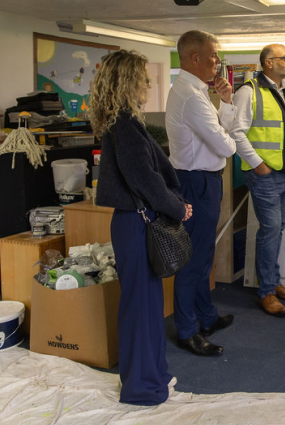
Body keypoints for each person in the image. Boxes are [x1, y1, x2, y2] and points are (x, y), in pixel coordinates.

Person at [91, 50, 193, 406]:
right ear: (127, 81)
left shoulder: (124, 123)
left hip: (137, 221)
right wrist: (178, 208)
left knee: (147, 305)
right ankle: (141, 387)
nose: (149, 85)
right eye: (143, 78)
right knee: (140, 306)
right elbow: (144, 180)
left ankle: (153, 378)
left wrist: (172, 204)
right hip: (136, 223)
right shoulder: (124, 125)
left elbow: (146, 180)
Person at [166, 30, 236, 357]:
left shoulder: (194, 90)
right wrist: (228, 124)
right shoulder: (192, 97)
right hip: (196, 182)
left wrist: (225, 104)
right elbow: (226, 144)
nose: (217, 62)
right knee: (192, 261)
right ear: (195, 58)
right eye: (213, 56)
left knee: (204, 254)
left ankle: (205, 316)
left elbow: (219, 132)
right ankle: (187, 330)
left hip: (203, 179)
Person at [230, 44, 285, 316]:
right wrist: (258, 165)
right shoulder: (248, 92)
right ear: (267, 63)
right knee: (271, 229)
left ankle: (273, 283)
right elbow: (236, 133)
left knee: (278, 228)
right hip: (265, 175)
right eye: (284, 58)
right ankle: (266, 292)